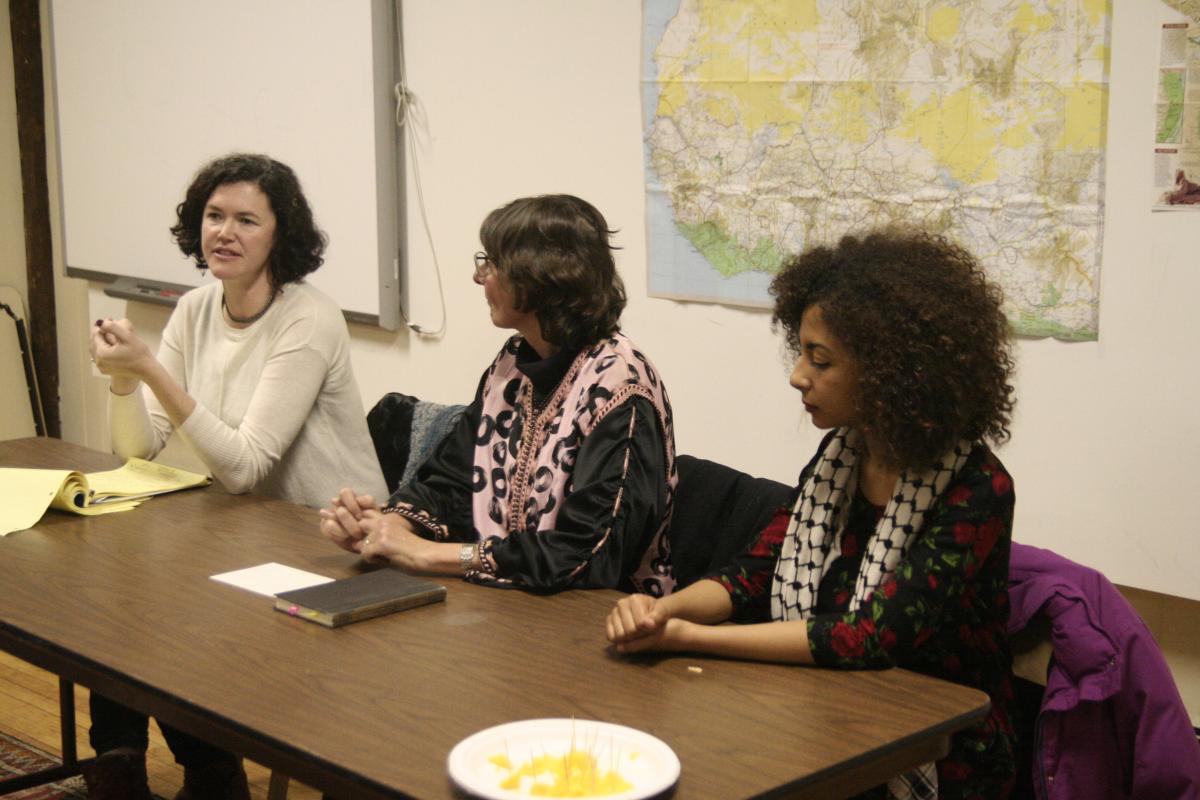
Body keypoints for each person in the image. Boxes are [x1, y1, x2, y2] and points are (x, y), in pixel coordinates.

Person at [606, 230, 1019, 800]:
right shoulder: (842, 455)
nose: (798, 375)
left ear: (893, 373)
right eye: (801, 352)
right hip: (823, 708)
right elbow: (754, 572)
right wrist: (660, 610)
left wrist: (687, 637)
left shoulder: (977, 488)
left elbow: (869, 637)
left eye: (820, 360)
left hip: (938, 750)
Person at [86, 153, 386, 800]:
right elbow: (144, 452)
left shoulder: (307, 317)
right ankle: (126, 769)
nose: (224, 232)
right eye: (214, 216)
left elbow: (246, 467)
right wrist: (121, 379)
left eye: (247, 220)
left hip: (327, 547)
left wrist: (152, 371)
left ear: (282, 235)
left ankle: (210, 775)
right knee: (123, 602)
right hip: (240, 534)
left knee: (171, 617)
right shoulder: (196, 308)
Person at [321, 194, 676, 595]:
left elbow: (589, 555)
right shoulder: (512, 364)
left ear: (538, 277)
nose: (479, 277)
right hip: (509, 602)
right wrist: (392, 526)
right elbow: (454, 478)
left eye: (491, 263)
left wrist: (428, 556)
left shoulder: (621, 389)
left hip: (601, 618)